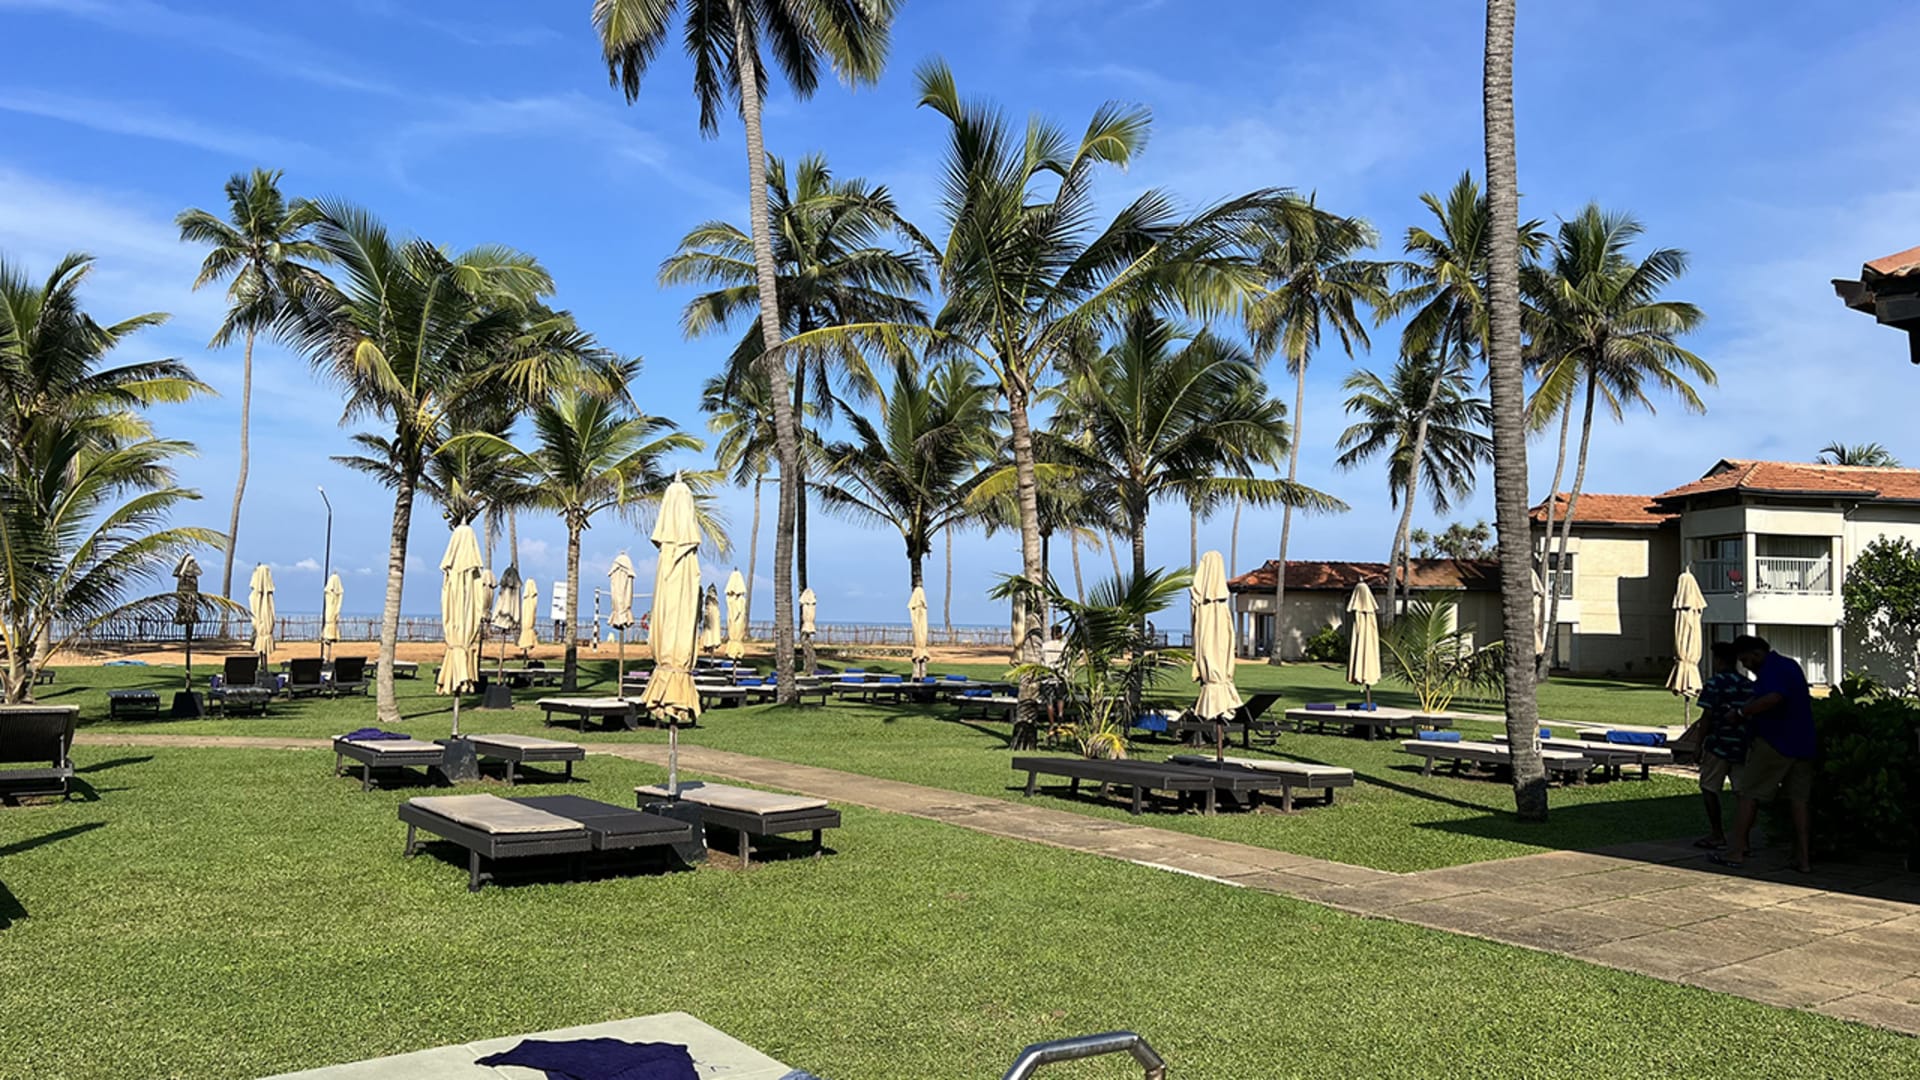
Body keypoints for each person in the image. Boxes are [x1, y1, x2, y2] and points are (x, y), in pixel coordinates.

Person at [1714, 635, 1816, 873]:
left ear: (1757, 653)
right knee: (1799, 801)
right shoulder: (1789, 665)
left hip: (1776, 741)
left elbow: (1774, 697)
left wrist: (1741, 713)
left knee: (1748, 794)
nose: (1745, 666)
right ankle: (1803, 858)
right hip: (1804, 742)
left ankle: (1736, 851)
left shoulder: (1772, 669)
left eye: (1745, 660)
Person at [1692, 641, 1752, 849]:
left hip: (1718, 744)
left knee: (1709, 788)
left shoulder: (1714, 684)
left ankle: (1717, 834)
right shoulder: (1747, 684)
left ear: (1718, 660)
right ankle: (1743, 839)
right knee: (1742, 793)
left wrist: (1698, 745)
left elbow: (1706, 717)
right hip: (1742, 745)